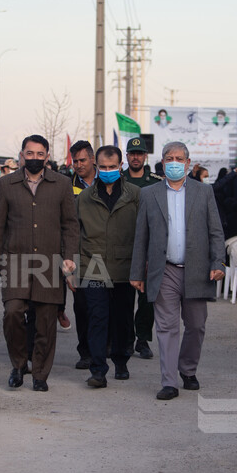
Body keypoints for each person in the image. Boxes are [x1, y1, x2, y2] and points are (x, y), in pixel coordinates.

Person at [130, 141, 226, 401]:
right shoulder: (149, 194)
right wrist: (137, 272)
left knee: (196, 325)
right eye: (169, 158)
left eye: (179, 158)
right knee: (167, 327)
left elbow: (216, 231)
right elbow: (141, 236)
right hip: (165, 271)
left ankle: (188, 369)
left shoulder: (203, 192)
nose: (174, 163)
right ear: (162, 163)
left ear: (187, 163)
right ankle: (169, 381)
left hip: (197, 270)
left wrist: (218, 263)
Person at [0, 135, 79, 393]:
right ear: (22, 155)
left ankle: (39, 374)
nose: (34, 158)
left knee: (45, 322)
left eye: (40, 154)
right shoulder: (6, 184)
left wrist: (70, 257)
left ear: (47, 156)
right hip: (15, 263)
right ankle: (18, 366)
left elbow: (70, 224)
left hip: (50, 264)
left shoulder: (61, 184)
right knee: (12, 313)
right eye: (30, 153)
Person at [77, 146, 140, 388]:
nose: (107, 171)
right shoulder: (84, 198)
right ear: (96, 165)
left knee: (123, 318)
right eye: (102, 167)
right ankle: (98, 370)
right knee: (97, 317)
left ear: (121, 165)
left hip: (125, 265)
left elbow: (143, 230)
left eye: (112, 167)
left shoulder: (135, 195)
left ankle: (121, 361)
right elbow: (75, 232)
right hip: (93, 265)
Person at [123, 135, 163, 360]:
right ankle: (126, 338)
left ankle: (143, 338)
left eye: (139, 154)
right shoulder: (118, 179)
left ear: (145, 156)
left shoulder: (156, 181)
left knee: (148, 297)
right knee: (124, 296)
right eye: (132, 153)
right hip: (125, 244)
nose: (136, 157)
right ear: (127, 156)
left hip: (149, 246)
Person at [68, 141, 96, 369]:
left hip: (108, 254)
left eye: (82, 160)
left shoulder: (113, 181)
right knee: (83, 307)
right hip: (81, 257)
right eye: (75, 161)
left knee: (109, 306)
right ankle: (85, 351)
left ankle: (107, 347)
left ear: (93, 159)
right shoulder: (67, 187)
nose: (78, 165)